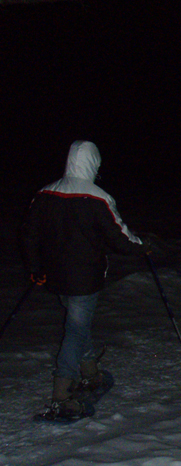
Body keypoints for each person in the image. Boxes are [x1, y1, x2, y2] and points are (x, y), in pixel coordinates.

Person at [20, 140, 150, 420]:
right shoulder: (97, 197)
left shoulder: (45, 193)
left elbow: (30, 235)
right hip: (84, 277)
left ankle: (90, 372)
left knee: (78, 323)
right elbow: (119, 237)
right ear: (94, 163)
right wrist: (143, 246)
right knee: (76, 330)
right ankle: (62, 392)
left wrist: (36, 268)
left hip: (55, 276)